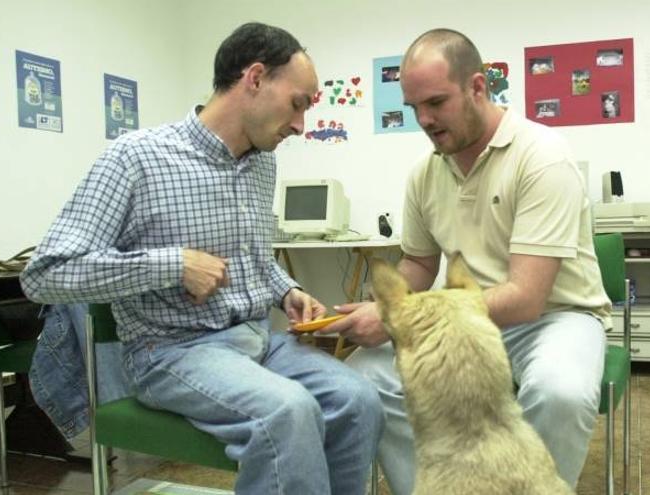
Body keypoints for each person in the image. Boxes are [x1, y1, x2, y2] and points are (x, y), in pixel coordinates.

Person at [20, 22, 383, 495]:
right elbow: (45, 275)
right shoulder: (136, 158)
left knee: (359, 399)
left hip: (258, 342)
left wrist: (286, 290)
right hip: (169, 352)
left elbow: (254, 257)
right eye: (298, 104)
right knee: (287, 412)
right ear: (254, 79)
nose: (300, 125)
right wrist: (172, 265)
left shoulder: (261, 161)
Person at [325, 28, 611, 494]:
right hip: (464, 319)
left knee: (559, 392)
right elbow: (418, 263)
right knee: (363, 383)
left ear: (478, 87)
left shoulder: (542, 157)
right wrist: (379, 305)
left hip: (556, 317)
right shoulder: (425, 173)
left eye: (436, 102)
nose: (423, 119)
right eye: (414, 106)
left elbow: (525, 298)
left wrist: (401, 318)